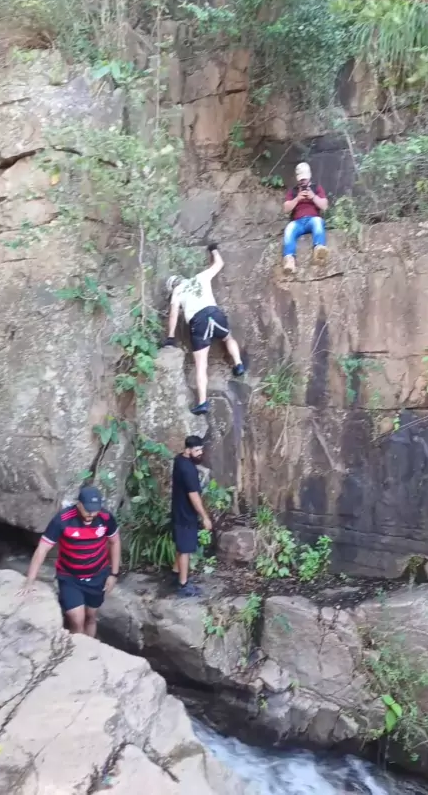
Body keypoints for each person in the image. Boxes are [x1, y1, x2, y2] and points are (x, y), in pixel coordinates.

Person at [18, 486, 120, 637]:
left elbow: (115, 542)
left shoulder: (105, 518)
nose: (91, 514)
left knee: (91, 617)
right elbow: (42, 549)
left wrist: (114, 574)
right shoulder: (63, 520)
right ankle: (75, 647)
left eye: (95, 510)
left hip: (97, 576)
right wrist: (30, 581)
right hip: (70, 577)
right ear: (79, 504)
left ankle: (91, 649)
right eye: (87, 510)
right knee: (77, 620)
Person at [163, 243, 245, 415]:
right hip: (214, 313)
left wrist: (170, 337)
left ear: (173, 286)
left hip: (199, 322)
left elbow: (173, 315)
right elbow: (219, 264)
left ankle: (202, 403)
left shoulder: (177, 292)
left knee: (201, 365)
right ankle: (238, 364)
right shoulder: (200, 277)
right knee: (228, 337)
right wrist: (213, 249)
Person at [171, 435, 212, 597]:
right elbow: (193, 495)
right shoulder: (188, 470)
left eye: (201, 449)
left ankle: (175, 573)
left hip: (178, 510)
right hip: (185, 514)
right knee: (185, 549)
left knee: (181, 545)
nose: (200, 453)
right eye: (197, 450)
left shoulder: (179, 459)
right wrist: (205, 516)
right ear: (187, 450)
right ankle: (183, 585)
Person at [282, 162, 329, 274]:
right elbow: (286, 209)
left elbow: (324, 206)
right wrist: (297, 198)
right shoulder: (293, 191)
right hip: (297, 222)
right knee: (289, 229)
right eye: (301, 179)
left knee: (318, 222)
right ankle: (289, 259)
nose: (303, 181)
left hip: (313, 219)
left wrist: (313, 197)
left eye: (305, 179)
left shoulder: (316, 188)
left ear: (309, 176)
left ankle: (319, 249)